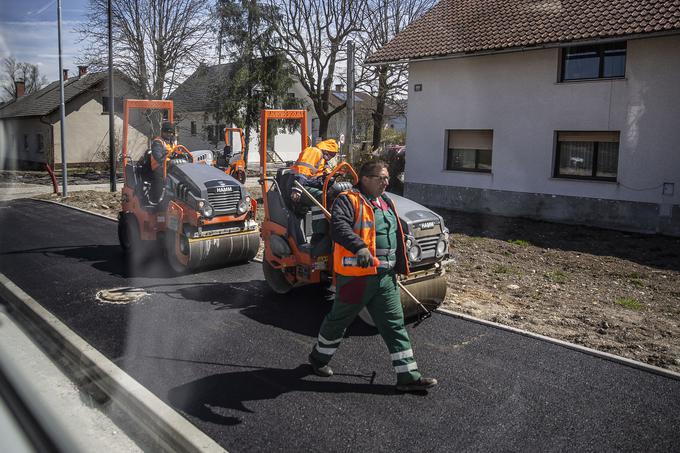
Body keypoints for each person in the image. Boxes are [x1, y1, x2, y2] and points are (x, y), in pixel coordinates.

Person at [308, 160, 438, 393]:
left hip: (385, 278)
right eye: (381, 178)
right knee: (339, 322)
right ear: (365, 179)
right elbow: (339, 227)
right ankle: (318, 359)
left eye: (387, 178)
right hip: (357, 278)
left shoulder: (385, 202)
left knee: (394, 325)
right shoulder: (348, 200)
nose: (387, 182)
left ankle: (408, 376)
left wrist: (400, 265)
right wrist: (359, 247)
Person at [149, 121, 177, 203]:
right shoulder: (157, 142)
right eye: (166, 132)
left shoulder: (173, 142)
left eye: (170, 132)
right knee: (164, 179)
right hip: (158, 166)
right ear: (162, 132)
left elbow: (178, 152)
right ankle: (157, 199)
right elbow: (158, 156)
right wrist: (169, 161)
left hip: (171, 165)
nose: (168, 134)